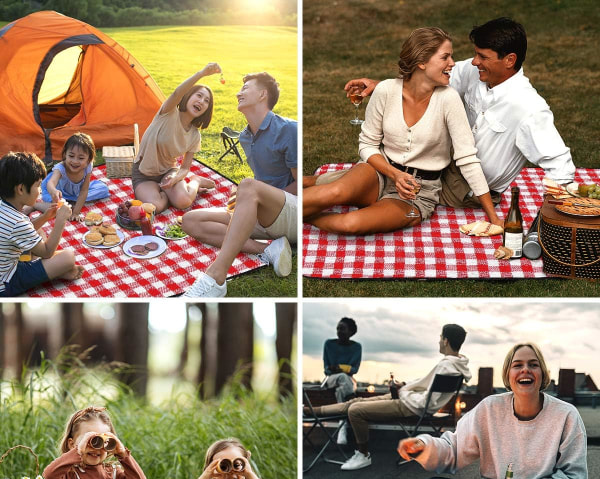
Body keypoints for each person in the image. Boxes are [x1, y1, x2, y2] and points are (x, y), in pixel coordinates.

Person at [345, 17, 575, 211]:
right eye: (476, 54)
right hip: (438, 165)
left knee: (374, 192)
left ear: (509, 60)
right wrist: (382, 86)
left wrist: (550, 215)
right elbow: (426, 79)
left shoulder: (529, 107)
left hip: (465, 190)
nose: (474, 62)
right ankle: (315, 187)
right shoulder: (475, 71)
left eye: (483, 57)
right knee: (362, 182)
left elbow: (561, 166)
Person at [398, 343, 591, 479]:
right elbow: (454, 449)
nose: (525, 370)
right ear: (508, 375)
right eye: (517, 365)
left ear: (543, 374)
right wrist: (424, 446)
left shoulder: (566, 415)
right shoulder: (489, 408)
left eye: (533, 365)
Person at [303, 27, 499, 236]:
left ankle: (299, 218)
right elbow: (367, 145)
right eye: (445, 57)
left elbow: (467, 157)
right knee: (335, 192)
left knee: (349, 224)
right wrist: (394, 174)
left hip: (419, 193)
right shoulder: (386, 90)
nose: (453, 63)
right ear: (422, 62)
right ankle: (284, 210)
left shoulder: (448, 99)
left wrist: (494, 218)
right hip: (378, 172)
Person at [182, 72, 297, 297]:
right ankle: (268, 249)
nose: (238, 93)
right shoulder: (246, 137)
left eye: (245, 88)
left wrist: (256, 194)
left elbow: (302, 185)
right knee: (190, 220)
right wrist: (247, 198)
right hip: (264, 215)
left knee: (248, 185)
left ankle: (216, 276)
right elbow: (263, 179)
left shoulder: (288, 130)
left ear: (263, 94)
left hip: (292, 210)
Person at [311, 324, 471, 471]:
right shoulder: (457, 365)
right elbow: (427, 389)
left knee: (355, 410)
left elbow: (425, 402)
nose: (438, 341)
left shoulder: (446, 366)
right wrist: (404, 386)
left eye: (440, 337)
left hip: (410, 406)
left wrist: (403, 392)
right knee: (355, 402)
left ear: (446, 341)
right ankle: (311, 410)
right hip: (410, 400)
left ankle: (363, 455)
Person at [133, 63, 219, 214]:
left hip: (168, 172)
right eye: (199, 95)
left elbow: (185, 167)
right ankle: (166, 193)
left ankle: (196, 181)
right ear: (188, 96)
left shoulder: (194, 135)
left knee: (183, 202)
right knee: (156, 207)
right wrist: (201, 73)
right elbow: (176, 94)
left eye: (207, 101)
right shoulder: (168, 112)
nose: (201, 102)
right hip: (144, 173)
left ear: (207, 110)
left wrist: (175, 179)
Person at [0, 151, 83, 297]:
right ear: (20, 189)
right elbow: (47, 252)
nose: (39, 191)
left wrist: (45, 217)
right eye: (38, 186)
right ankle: (55, 272)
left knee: (38, 234)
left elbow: (20, 233)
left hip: (6, 262)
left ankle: (51, 270)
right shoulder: (18, 222)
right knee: (68, 257)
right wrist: (60, 220)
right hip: (7, 282)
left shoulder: (5, 207)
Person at [38, 132, 109, 221]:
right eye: (71, 156)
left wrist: (76, 212)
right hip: (58, 193)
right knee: (59, 210)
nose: (75, 161)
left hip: (76, 192)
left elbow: (84, 190)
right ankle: (34, 206)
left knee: (103, 189)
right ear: (65, 155)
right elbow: (51, 183)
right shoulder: (60, 168)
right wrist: (54, 191)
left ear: (88, 159)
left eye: (81, 158)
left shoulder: (87, 167)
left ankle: (73, 203)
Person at [322, 317, 362, 445]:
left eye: (343, 329)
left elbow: (354, 370)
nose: (339, 331)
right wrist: (344, 368)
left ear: (351, 332)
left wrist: (338, 367)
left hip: (348, 381)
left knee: (341, 388)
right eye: (338, 328)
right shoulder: (329, 344)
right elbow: (327, 370)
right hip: (331, 380)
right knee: (343, 378)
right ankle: (351, 406)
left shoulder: (356, 347)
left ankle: (342, 423)